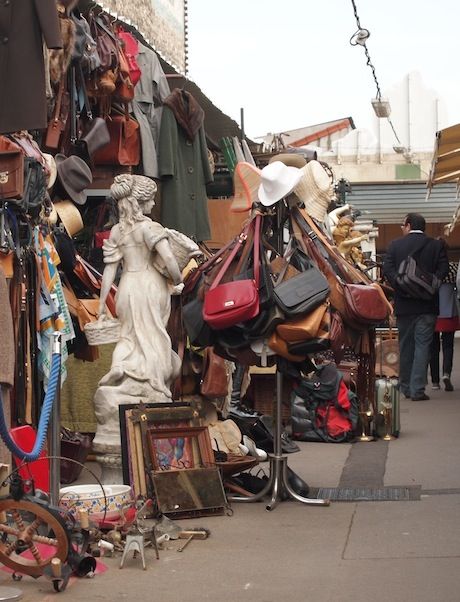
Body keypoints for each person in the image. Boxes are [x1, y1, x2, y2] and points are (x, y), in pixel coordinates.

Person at [97, 174, 184, 400]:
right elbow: (170, 259)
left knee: (128, 337)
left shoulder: (117, 231)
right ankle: (154, 383)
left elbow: (109, 271)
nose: (154, 204)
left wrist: (101, 303)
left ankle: (119, 365)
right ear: (140, 201)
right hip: (149, 285)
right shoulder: (150, 228)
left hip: (126, 287)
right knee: (153, 337)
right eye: (151, 199)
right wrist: (177, 280)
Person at [383, 213, 448, 401]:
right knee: (423, 346)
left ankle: (405, 387)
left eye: (403, 225)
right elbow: (443, 270)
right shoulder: (435, 245)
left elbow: (388, 269)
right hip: (427, 306)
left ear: (409, 225)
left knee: (406, 346)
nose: (402, 229)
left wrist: (401, 283)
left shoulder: (396, 245)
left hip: (405, 305)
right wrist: (430, 285)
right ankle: (418, 389)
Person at [430, 261, 459, 391]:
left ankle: (435, 381)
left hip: (432, 311)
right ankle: (446, 373)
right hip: (449, 310)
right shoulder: (453, 267)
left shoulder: (431, 267)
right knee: (448, 345)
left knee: (433, 348)